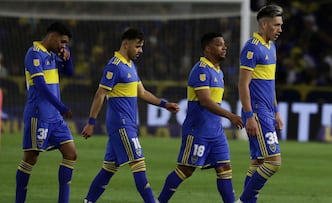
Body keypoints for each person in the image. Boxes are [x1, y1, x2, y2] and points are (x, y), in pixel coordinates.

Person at [81, 28, 180, 203]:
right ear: (126, 44)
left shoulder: (130, 65)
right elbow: (100, 94)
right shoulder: (114, 66)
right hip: (122, 124)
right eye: (138, 46)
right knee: (138, 163)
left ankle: (88, 201)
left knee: (108, 168)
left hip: (126, 124)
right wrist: (91, 122)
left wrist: (164, 104)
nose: (141, 50)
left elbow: (142, 93)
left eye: (141, 47)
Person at [157, 32, 244, 203]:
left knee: (224, 168)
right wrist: (231, 116)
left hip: (215, 132)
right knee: (185, 170)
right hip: (198, 130)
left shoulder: (218, 71)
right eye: (219, 44)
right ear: (208, 48)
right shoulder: (201, 70)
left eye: (224, 44)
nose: (224, 47)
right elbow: (205, 101)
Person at [16, 22, 76, 203]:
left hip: (55, 118)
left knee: (71, 154)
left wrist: (68, 58)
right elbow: (40, 86)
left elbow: (70, 73)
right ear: (52, 37)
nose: (63, 46)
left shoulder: (51, 55)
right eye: (62, 42)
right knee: (31, 158)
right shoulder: (34, 53)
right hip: (39, 114)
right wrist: (62, 107)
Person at [237, 4, 284, 203]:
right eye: (276, 25)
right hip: (256, 111)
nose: (280, 29)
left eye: (281, 25)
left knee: (258, 161)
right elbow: (243, 84)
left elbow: (270, 83)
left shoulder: (271, 47)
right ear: (264, 24)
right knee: (273, 162)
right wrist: (249, 116)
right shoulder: (251, 48)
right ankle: (244, 201)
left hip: (267, 111)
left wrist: (276, 111)